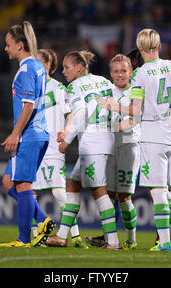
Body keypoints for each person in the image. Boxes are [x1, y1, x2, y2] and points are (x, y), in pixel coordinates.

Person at [98, 29, 171, 252]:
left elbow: (135, 110)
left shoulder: (141, 74)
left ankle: (164, 242)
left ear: (140, 48)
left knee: (158, 190)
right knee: (169, 194)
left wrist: (113, 106)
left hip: (154, 138)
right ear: (159, 46)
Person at [45, 50, 121, 250]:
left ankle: (113, 242)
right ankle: (62, 236)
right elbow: (116, 108)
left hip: (92, 143)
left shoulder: (75, 86)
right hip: (106, 139)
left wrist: (66, 140)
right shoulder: (105, 82)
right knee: (73, 184)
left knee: (99, 191)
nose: (63, 71)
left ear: (79, 68)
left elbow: (78, 114)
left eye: (66, 67)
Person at [0, 21, 54, 248]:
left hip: (29, 134)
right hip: (38, 133)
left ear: (20, 45)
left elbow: (28, 105)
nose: (6, 48)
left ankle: (23, 239)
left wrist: (15, 133)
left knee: (23, 186)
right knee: (9, 180)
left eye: (8, 44)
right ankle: (42, 220)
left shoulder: (27, 69)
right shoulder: (38, 67)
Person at [33, 48, 87, 248]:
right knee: (30, 190)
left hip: (53, 146)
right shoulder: (30, 87)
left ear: (48, 65)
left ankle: (75, 235)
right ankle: (36, 234)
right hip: (33, 145)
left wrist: (66, 129)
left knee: (58, 192)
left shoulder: (58, 88)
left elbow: (71, 113)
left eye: (39, 62)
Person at [85, 54, 141, 249]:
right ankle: (110, 239)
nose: (120, 75)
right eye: (116, 71)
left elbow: (134, 119)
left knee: (125, 197)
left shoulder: (136, 90)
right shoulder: (105, 91)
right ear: (110, 73)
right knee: (108, 195)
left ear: (131, 72)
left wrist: (110, 127)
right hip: (109, 148)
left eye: (123, 71)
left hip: (128, 146)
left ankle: (131, 240)